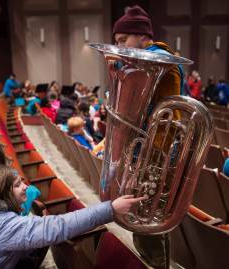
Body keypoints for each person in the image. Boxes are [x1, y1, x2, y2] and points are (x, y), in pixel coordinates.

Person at [0, 164, 146, 268]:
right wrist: (110, 208)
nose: (25, 187)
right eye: (17, 185)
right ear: (4, 193)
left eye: (21, 181)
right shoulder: (5, 226)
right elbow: (60, 226)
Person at [113, 5, 184, 269]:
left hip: (158, 150)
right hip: (143, 147)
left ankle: (157, 264)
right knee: (139, 216)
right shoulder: (142, 58)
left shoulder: (160, 58)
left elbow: (164, 114)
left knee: (151, 215)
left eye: (123, 40)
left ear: (143, 36)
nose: (119, 47)